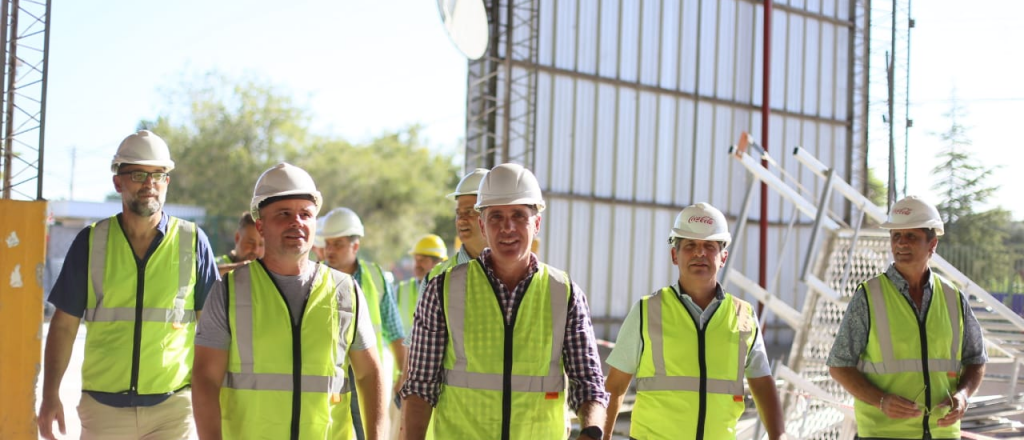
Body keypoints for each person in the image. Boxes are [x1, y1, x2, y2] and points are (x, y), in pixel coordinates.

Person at [401, 163, 609, 440]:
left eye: (519, 216)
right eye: (496, 216)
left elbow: (589, 385)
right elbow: (419, 389)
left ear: (536, 223)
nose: (507, 227)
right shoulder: (443, 289)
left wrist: (591, 433)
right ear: (482, 225)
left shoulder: (564, 293)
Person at [38, 130, 219, 439]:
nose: (149, 184)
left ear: (167, 182)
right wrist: (50, 393)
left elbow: (212, 330)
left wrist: (216, 398)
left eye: (158, 175)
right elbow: (64, 326)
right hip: (104, 411)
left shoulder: (193, 242)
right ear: (117, 182)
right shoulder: (91, 242)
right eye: (138, 174)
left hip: (172, 410)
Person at [191, 162, 386, 439]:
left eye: (305, 214)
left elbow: (369, 374)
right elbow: (205, 379)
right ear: (260, 224)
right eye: (284, 214)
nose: (297, 222)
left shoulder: (345, 290)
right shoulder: (228, 292)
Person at [602, 202, 785, 439]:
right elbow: (615, 386)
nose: (700, 253)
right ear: (674, 255)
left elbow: (762, 384)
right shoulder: (647, 311)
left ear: (723, 258)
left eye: (710, 246)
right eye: (690, 246)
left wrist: (778, 435)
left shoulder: (744, 316)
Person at [828, 195, 987, 439]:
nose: (901, 244)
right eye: (896, 236)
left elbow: (976, 360)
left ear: (932, 244)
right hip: (882, 434)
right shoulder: (868, 297)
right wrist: (881, 401)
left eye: (911, 236)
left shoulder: (953, 298)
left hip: (942, 433)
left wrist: (963, 395)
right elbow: (839, 365)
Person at [318, 206, 407, 439]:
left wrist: (403, 375)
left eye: (337, 244)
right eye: (327, 244)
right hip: (330, 377)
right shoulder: (316, 280)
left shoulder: (375, 277)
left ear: (355, 246)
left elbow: (394, 330)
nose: (330, 251)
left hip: (367, 375)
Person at [422, 168, 489, 285]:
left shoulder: (514, 272)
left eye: (470, 212)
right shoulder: (436, 278)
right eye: (458, 213)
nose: (461, 220)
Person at [396, 234, 448, 332]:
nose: (417, 265)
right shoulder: (401, 290)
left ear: (439, 263)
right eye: (416, 259)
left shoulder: (449, 290)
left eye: (423, 260)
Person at [215, 212, 264, 276]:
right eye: (251, 242)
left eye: (261, 244)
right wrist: (240, 267)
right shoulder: (215, 263)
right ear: (237, 238)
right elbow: (205, 274)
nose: (255, 250)